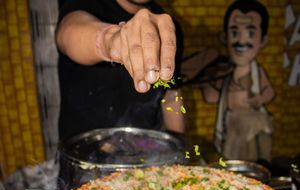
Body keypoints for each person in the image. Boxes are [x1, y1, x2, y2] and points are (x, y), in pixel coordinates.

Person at [56, 0, 184, 140]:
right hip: (83, 152)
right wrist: (112, 40)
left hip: (144, 152)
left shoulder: (168, 25)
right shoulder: (85, 4)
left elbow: (171, 96)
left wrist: (179, 147)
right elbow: (67, 35)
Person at [201, 0, 275, 162]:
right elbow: (213, 97)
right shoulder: (225, 71)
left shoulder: (257, 71)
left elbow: (269, 91)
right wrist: (205, 80)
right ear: (224, 37)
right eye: (234, 33)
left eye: (250, 33)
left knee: (253, 155)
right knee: (233, 159)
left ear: (263, 40)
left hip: (252, 124)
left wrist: (259, 99)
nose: (241, 41)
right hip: (233, 124)